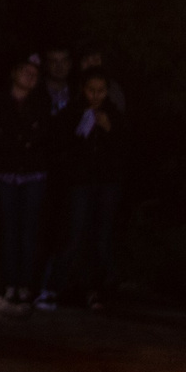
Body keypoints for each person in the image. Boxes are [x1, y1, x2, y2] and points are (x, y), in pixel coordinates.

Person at [0, 57, 52, 318]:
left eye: (34, 73)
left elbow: (43, 134)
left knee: (28, 230)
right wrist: (19, 141)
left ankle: (25, 285)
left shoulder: (40, 102)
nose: (30, 76)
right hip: (5, 174)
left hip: (32, 174)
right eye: (26, 71)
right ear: (14, 72)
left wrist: (23, 141)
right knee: (9, 229)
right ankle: (10, 284)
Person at [48, 70, 125, 310]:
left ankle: (102, 288)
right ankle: (63, 286)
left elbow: (124, 148)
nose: (95, 95)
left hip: (107, 183)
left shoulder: (113, 113)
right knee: (75, 232)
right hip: (80, 183)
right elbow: (63, 145)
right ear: (83, 89)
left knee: (102, 235)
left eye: (100, 91)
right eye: (91, 90)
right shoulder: (72, 112)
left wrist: (108, 128)